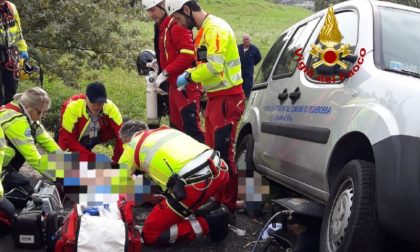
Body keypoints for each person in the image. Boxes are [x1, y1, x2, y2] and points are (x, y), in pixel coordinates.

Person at [165, 0, 245, 215]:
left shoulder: (215, 29)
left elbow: (215, 66)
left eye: (180, 19)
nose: (180, 25)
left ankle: (228, 205)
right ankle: (217, 198)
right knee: (213, 154)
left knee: (224, 153)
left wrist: (190, 76)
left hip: (228, 98)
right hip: (215, 98)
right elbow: (204, 64)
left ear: (188, 10)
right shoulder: (203, 31)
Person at [118, 120, 231, 245]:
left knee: (150, 234)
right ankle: (217, 205)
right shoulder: (166, 130)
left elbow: (119, 186)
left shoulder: (131, 148)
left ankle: (208, 223)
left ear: (127, 139)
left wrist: (143, 199)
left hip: (196, 185)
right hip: (221, 169)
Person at [141, 0, 204, 143]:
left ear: (162, 5)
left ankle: (206, 162)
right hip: (174, 86)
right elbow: (170, 51)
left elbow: (188, 53)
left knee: (191, 129)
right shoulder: (162, 26)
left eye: (152, 10)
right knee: (176, 129)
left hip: (186, 85)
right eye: (149, 11)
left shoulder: (175, 24)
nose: (151, 15)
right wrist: (160, 63)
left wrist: (166, 72)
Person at [0, 87, 61, 207]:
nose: (43, 116)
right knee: (27, 198)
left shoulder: (24, 113)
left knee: (26, 189)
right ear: (29, 108)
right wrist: (60, 177)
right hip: (3, 169)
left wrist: (72, 167)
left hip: (6, 167)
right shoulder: (15, 121)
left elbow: (49, 143)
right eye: (41, 112)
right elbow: (34, 158)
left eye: (46, 112)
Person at [57, 82, 123, 166]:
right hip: (72, 139)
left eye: (101, 102)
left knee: (125, 129)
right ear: (86, 98)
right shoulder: (71, 107)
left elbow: (122, 136)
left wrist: (117, 162)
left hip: (94, 136)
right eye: (93, 102)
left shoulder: (111, 108)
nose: (97, 106)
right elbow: (69, 141)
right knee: (63, 166)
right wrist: (92, 157)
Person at [0, 1, 29, 105]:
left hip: (10, 53)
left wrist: (23, 49)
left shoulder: (11, 7)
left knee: (11, 90)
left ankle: (8, 117)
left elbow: (18, 31)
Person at [238, 34, 261, 98]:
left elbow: (259, 57)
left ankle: (247, 96)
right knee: (240, 82)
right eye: (244, 39)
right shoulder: (238, 47)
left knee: (248, 83)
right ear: (242, 40)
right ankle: (240, 95)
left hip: (249, 69)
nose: (246, 41)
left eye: (247, 39)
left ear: (250, 40)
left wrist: (253, 63)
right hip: (240, 69)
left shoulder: (254, 49)